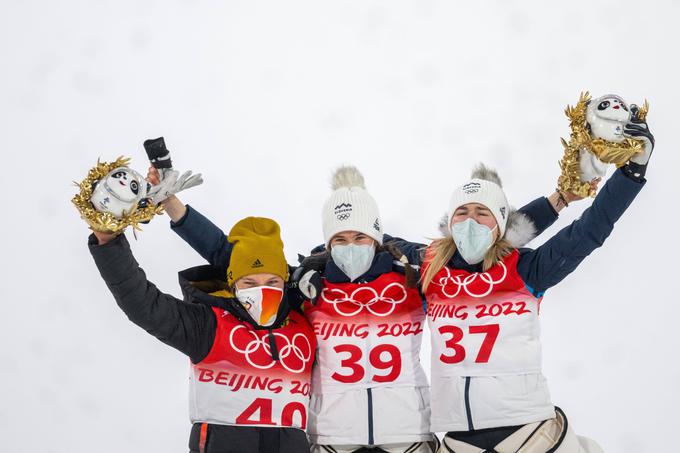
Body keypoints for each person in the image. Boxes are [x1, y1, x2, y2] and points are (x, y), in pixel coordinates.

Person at [148, 165, 569, 452]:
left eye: (361, 238)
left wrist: (558, 200)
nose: (351, 248)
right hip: (333, 438)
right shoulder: (311, 288)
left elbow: (489, 240)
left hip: (408, 437)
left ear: (377, 238)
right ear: (328, 244)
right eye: (340, 240)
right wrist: (178, 212)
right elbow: (237, 258)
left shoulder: (411, 278)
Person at [414, 107, 654, 452]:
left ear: (502, 227)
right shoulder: (430, 273)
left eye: (483, 213)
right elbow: (366, 245)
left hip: (529, 434)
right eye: (462, 213)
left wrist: (631, 174)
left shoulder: (525, 270)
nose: (471, 221)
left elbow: (589, 231)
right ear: (450, 224)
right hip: (458, 440)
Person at [88, 216, 316, 453]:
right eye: (249, 283)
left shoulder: (305, 324)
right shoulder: (208, 325)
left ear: (285, 282)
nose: (262, 291)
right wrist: (108, 242)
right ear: (233, 284)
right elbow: (144, 305)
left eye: (272, 281)